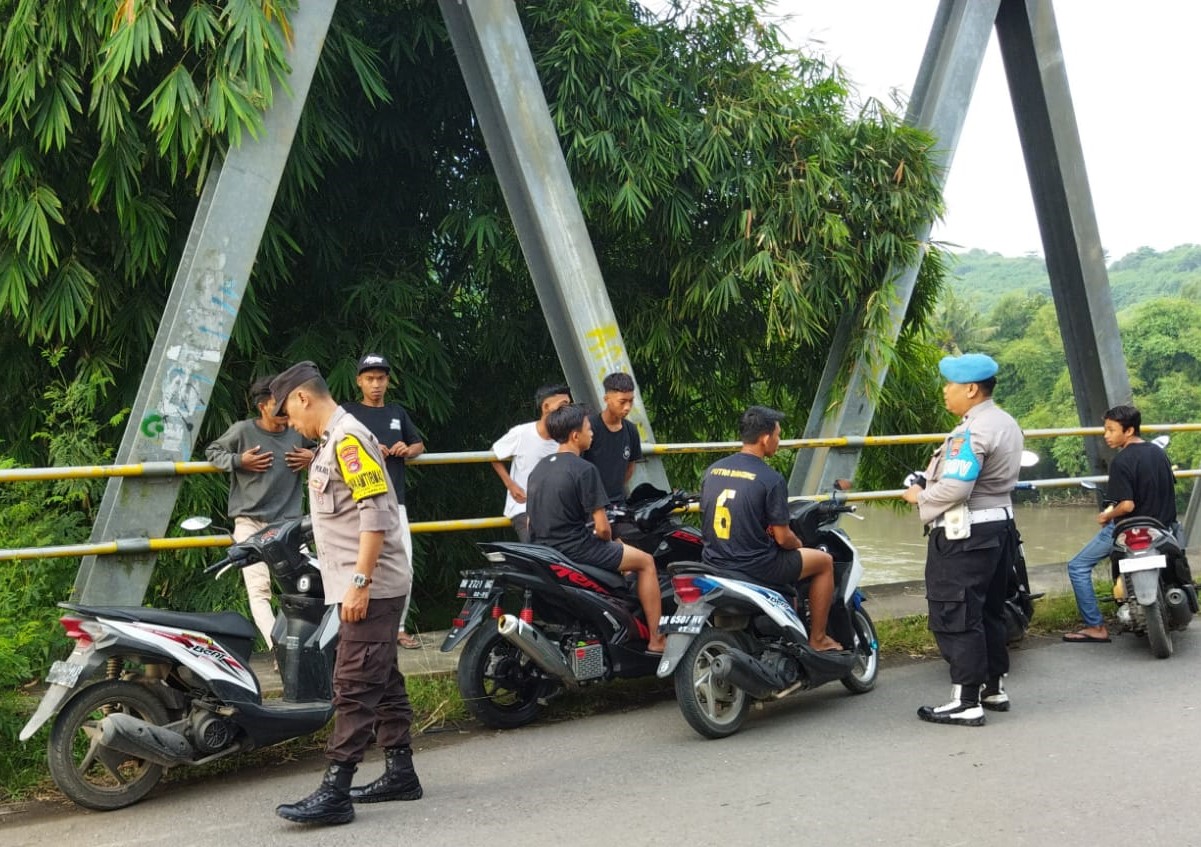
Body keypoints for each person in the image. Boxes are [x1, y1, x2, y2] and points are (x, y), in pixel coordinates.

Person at [269, 362, 422, 826]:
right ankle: (401, 773)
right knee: (383, 677)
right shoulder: (333, 441)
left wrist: (359, 582)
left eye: (289, 416)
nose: (291, 425)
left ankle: (336, 788)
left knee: (353, 684)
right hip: (361, 584)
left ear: (302, 399)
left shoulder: (348, 440)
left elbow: (376, 516)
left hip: (371, 587)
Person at [901, 353, 1024, 727]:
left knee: (957, 611)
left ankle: (965, 700)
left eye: (950, 384)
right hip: (999, 529)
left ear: (970, 389)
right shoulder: (1006, 422)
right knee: (988, 610)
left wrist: (919, 496)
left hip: (965, 534)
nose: (945, 390)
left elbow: (956, 486)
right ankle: (993, 687)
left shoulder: (969, 432)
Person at [699, 406, 843, 652]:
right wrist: (798, 543)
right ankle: (818, 638)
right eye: (778, 435)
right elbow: (782, 536)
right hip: (756, 565)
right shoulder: (770, 478)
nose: (779, 441)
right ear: (765, 438)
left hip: (714, 561)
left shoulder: (713, 470)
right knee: (824, 562)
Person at [525, 404, 667, 653]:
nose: (593, 434)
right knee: (645, 562)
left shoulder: (539, 469)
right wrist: (605, 538)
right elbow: (603, 529)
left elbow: (529, 522)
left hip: (543, 548)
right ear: (575, 435)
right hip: (576, 548)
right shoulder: (584, 469)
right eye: (589, 429)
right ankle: (656, 638)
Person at [204, 376, 313, 647]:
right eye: (279, 402)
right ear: (263, 406)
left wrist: (312, 457)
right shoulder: (242, 431)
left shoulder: (298, 430)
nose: (286, 409)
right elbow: (213, 451)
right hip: (250, 523)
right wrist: (240, 460)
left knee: (307, 585)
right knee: (259, 589)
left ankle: (306, 644)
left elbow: (327, 447)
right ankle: (280, 648)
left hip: (289, 525)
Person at [1062, 404, 1178, 644]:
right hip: (1162, 527)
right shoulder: (1158, 453)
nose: (1106, 435)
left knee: (1077, 566)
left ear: (1129, 431)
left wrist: (1106, 517)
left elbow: (1127, 506)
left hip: (1128, 528)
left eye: (1111, 430)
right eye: (1106, 430)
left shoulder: (1122, 461)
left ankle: (1095, 626)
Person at [343, 353, 426, 650]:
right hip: (358, 503)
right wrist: (368, 447)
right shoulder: (347, 413)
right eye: (369, 378)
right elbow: (333, 444)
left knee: (404, 564)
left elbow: (419, 443)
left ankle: (398, 628)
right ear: (359, 381)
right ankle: (354, 628)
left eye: (380, 378)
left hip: (395, 501)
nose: (375, 384)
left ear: (388, 381)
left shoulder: (397, 412)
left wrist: (408, 448)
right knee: (358, 566)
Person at [490, 383, 573, 542]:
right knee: (537, 550)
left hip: (558, 509)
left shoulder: (567, 438)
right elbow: (494, 454)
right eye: (563, 405)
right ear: (546, 407)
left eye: (569, 405)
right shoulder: (522, 433)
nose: (568, 411)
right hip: (524, 508)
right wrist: (511, 485)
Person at [581, 371, 643, 503]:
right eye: (622, 402)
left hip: (617, 502)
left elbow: (630, 466)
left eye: (631, 401)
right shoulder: (588, 428)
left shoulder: (631, 430)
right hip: (589, 502)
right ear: (606, 399)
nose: (627, 407)